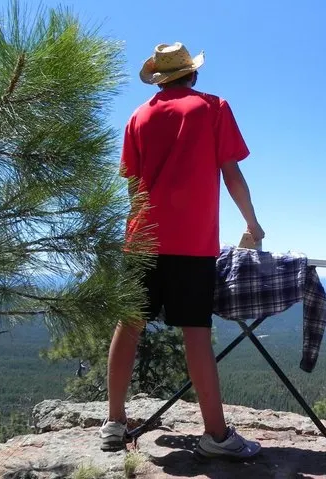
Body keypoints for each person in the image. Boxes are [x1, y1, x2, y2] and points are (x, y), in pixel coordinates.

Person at [99, 42, 265, 459]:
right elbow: (231, 173)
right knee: (196, 334)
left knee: (129, 326)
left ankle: (114, 424)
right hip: (192, 243)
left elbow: (132, 186)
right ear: (192, 74)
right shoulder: (212, 108)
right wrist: (252, 223)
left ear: (159, 78)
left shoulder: (138, 116)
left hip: (142, 238)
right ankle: (216, 436)